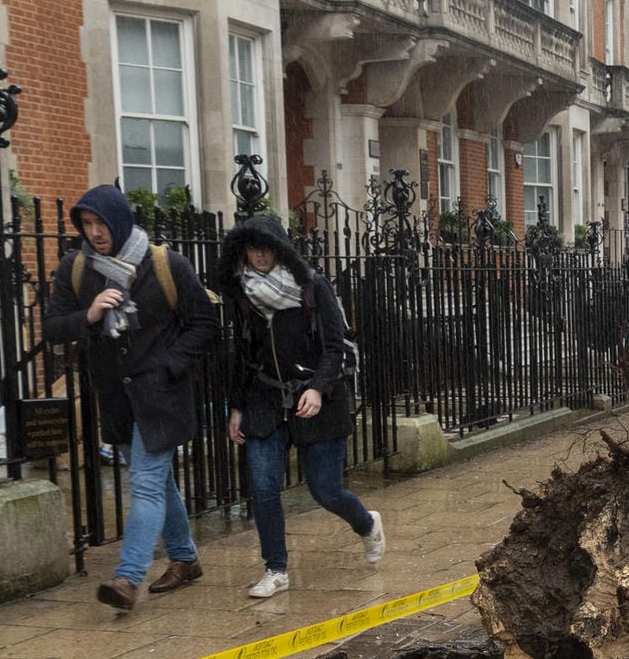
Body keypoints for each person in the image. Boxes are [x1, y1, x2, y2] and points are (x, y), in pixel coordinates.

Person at [44, 184, 218, 611]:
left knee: (144, 483)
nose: (95, 231)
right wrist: (88, 314)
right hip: (116, 397)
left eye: (101, 222)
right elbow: (51, 329)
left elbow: (205, 325)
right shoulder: (78, 269)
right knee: (160, 483)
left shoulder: (165, 265)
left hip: (162, 394)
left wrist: (169, 364)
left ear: (119, 220)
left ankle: (127, 577)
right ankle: (186, 559)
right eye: (86, 224)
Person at [217, 215, 384, 598]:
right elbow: (242, 355)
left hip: (316, 401)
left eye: (266, 247)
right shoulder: (244, 295)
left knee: (325, 490)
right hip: (265, 400)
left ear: (279, 248)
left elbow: (336, 346)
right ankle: (275, 569)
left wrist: (319, 389)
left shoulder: (312, 286)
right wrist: (237, 406)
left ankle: (366, 523)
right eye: (251, 248)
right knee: (263, 487)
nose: (259, 255)